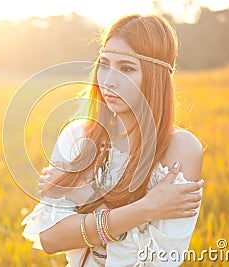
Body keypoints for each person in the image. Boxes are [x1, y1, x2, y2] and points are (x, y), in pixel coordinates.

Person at [22, 14, 204, 266]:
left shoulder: (181, 149)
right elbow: (51, 239)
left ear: (156, 77)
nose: (108, 80)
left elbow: (160, 260)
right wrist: (145, 209)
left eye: (127, 68)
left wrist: (84, 201)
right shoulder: (77, 136)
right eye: (104, 64)